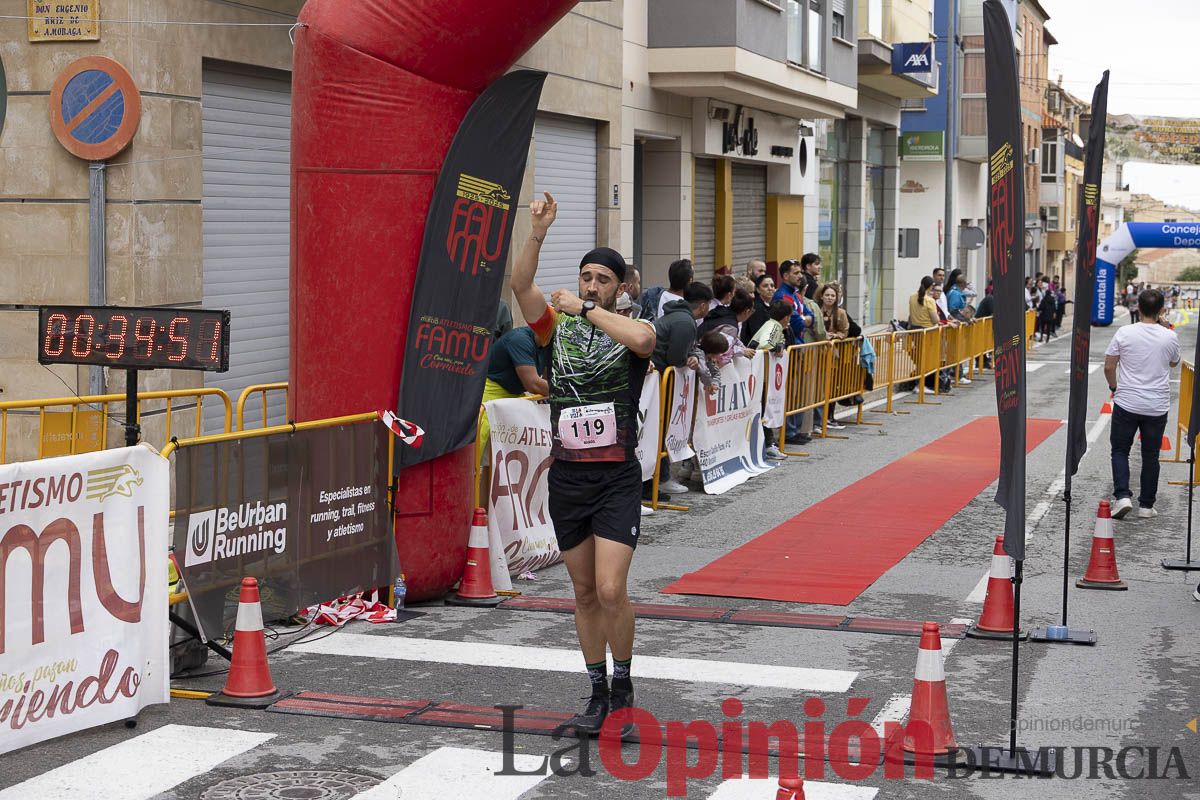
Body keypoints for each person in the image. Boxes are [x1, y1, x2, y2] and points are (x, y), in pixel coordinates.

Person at [510, 191, 655, 735]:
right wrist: (538, 232)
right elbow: (520, 285)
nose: (592, 284)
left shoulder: (626, 325)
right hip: (569, 476)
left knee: (612, 589)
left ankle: (624, 687)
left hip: (616, 477)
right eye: (586, 277)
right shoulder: (557, 328)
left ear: (620, 288)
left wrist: (588, 309)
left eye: (603, 279)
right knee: (586, 592)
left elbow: (645, 341)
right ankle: (597, 693)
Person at [1103, 288, 1180, 520]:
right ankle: (1146, 506)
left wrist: (1114, 387)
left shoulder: (1124, 332)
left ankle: (1122, 496)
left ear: (1138, 307)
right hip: (1156, 405)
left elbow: (1109, 366)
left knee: (1120, 450)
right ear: (1162, 310)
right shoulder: (1169, 336)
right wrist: (1166, 327)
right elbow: (1174, 362)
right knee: (1150, 455)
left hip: (1127, 401)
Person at [478, 326, 549, 461]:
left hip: (516, 395)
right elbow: (533, 383)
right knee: (480, 436)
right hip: (490, 391)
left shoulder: (549, 344)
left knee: (522, 438)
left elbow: (548, 376)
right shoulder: (519, 339)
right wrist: (563, 391)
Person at [741, 273, 777, 347]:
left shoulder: (773, 305)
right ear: (758, 290)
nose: (770, 288)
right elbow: (757, 334)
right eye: (765, 286)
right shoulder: (756, 307)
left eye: (772, 285)